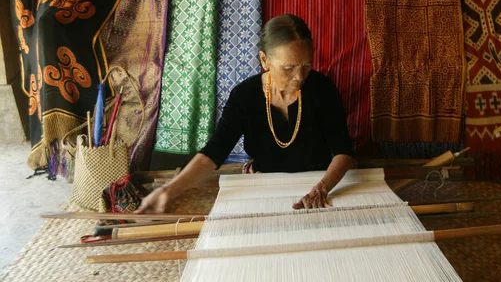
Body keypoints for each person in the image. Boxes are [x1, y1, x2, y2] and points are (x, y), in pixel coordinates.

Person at [137, 14, 355, 213]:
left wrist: (322, 188)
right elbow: (214, 153)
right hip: (263, 184)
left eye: (306, 65)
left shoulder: (322, 90)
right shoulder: (245, 95)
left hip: (317, 182)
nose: (300, 77)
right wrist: (168, 191)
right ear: (264, 60)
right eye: (288, 68)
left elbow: (343, 152)